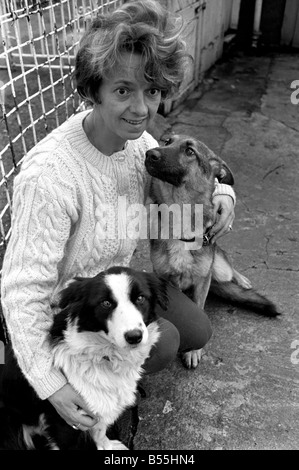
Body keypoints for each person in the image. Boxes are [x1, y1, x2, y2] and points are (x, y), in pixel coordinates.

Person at [1, 0, 236, 432]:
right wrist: (50, 383)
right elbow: (21, 292)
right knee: (164, 347)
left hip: (122, 284)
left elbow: (186, 173)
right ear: (93, 90)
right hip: (73, 307)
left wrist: (223, 192)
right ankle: (95, 381)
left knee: (196, 331)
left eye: (152, 91)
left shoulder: (136, 145)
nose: (141, 108)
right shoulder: (49, 176)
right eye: (123, 90)